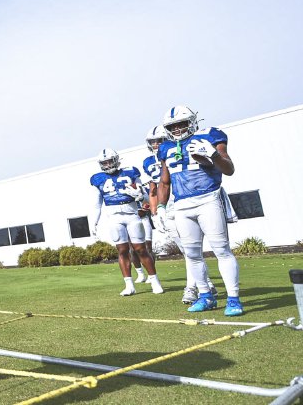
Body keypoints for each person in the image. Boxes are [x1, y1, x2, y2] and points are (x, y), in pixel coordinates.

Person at [154, 105, 243, 316]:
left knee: (221, 250)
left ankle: (233, 298)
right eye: (172, 126)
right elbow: (164, 183)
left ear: (192, 121)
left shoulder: (210, 135)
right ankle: (205, 296)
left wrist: (214, 156)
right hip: (182, 205)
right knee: (192, 254)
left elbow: (229, 169)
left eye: (181, 124)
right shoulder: (166, 148)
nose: (177, 129)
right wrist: (160, 207)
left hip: (208, 199)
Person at [143, 124, 216, 304]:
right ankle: (205, 283)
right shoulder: (148, 162)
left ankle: (193, 287)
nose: (156, 145)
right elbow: (155, 188)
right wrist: (156, 211)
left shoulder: (181, 149)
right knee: (187, 250)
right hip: (167, 207)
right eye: (152, 142)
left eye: (159, 141)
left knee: (192, 250)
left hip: (185, 201)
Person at [90, 148, 163, 296]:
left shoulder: (130, 172)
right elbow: (97, 204)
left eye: (110, 161)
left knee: (141, 249)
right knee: (122, 250)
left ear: (116, 160)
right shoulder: (97, 178)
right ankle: (129, 285)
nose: (108, 165)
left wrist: (139, 195)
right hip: (114, 217)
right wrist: (94, 222)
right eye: (104, 162)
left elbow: (147, 197)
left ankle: (155, 281)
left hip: (132, 215)